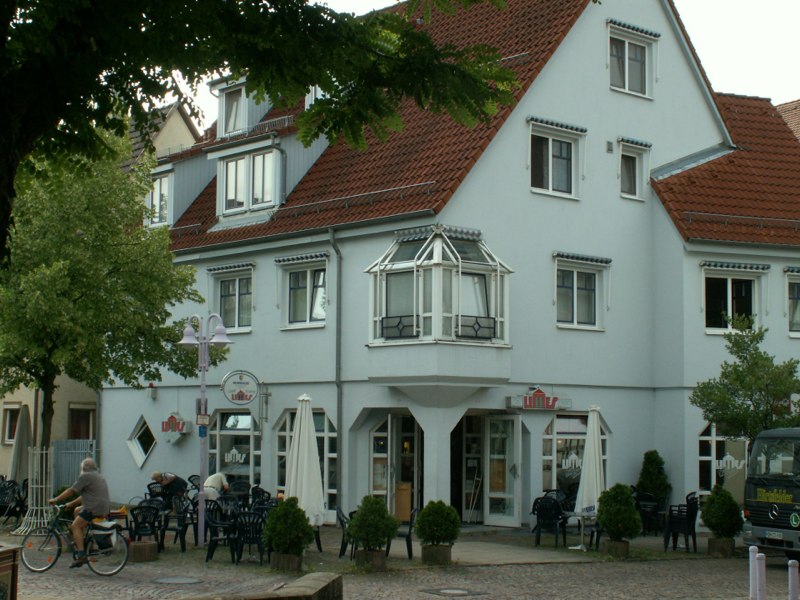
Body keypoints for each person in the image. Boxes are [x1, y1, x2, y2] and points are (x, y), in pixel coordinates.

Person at [49, 457, 110, 568]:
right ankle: (81, 541)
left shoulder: (85, 476)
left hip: (93, 508)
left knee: (75, 526)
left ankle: (81, 555)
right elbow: (85, 495)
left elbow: (71, 490)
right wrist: (71, 504)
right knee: (77, 510)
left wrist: (56, 499)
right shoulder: (98, 476)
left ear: (83, 468)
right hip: (102, 506)